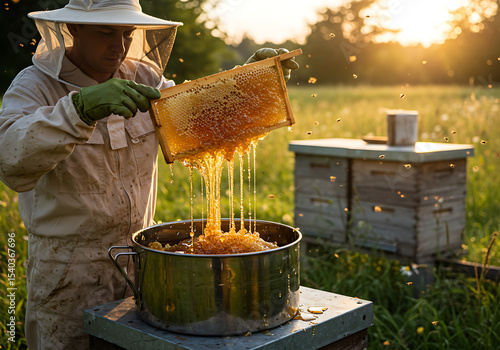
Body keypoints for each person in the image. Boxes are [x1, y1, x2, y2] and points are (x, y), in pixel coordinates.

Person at [0, 0, 298, 349]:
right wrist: (79, 110)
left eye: (127, 33)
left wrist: (245, 85)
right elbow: (10, 160)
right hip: (67, 273)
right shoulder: (35, 86)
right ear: (73, 28)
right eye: (105, 32)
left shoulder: (144, 77)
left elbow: (198, 124)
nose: (119, 45)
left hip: (144, 267)